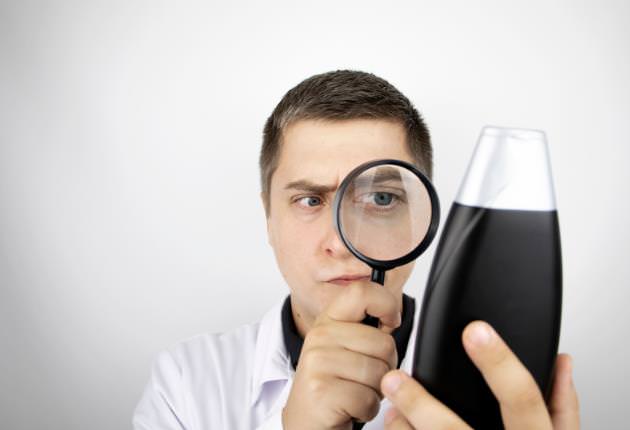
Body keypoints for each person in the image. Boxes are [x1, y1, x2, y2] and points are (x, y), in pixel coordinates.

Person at [133, 70, 580, 430]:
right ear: (269, 221)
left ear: (420, 217)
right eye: (310, 200)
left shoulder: (500, 386)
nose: (341, 244)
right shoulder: (187, 382)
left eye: (381, 198)